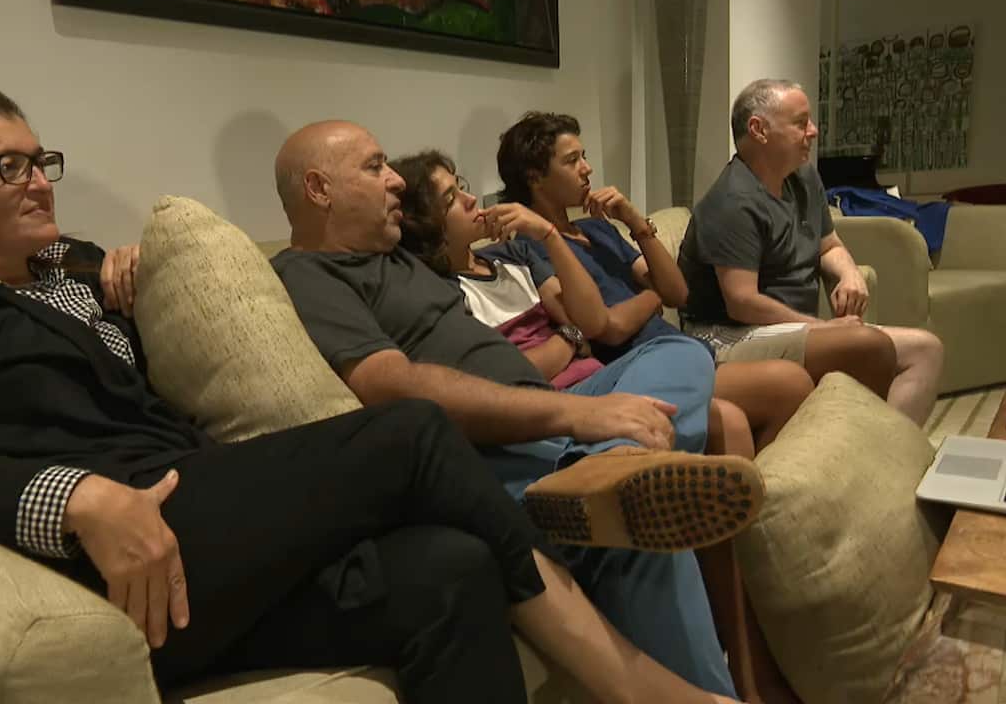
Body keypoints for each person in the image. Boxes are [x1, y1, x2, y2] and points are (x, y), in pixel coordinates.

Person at [0, 75, 733, 704]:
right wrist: (68, 498)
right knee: (406, 435)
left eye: (39, 161)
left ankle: (578, 501)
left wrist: (122, 270)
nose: (36, 182)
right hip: (112, 539)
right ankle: (635, 685)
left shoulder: (71, 271)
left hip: (194, 524)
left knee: (447, 569)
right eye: (2, 167)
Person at [270, 120, 760, 701]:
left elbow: (471, 241)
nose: (395, 180)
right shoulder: (307, 273)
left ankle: (612, 469)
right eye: (375, 167)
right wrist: (573, 418)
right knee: (646, 530)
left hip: (553, 414)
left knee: (678, 350)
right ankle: (609, 473)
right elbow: (391, 386)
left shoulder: (397, 254)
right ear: (319, 190)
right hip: (494, 444)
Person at [392, 148, 811, 457]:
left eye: (461, 188)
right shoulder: (442, 291)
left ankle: (623, 461)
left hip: (609, 375)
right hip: (567, 398)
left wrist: (560, 236)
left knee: (694, 366)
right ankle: (616, 463)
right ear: (423, 224)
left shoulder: (517, 255)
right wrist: (570, 338)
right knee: (689, 361)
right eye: (450, 200)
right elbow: (582, 336)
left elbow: (620, 310)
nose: (469, 201)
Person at [490, 116, 815, 450]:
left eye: (584, 156)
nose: (587, 169)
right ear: (535, 178)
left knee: (790, 386)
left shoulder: (598, 230)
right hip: (638, 367)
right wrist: (650, 297)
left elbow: (676, 292)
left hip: (681, 350)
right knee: (790, 383)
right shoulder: (531, 249)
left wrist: (633, 220)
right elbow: (606, 327)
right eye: (572, 161)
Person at [676, 79, 945, 425]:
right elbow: (742, 301)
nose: (814, 131)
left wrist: (848, 272)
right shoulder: (732, 202)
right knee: (866, 344)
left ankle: (888, 452)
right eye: (801, 123)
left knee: (926, 350)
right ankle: (862, 447)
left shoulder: (803, 179)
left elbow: (828, 245)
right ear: (758, 130)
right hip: (724, 335)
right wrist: (824, 328)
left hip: (785, 328)